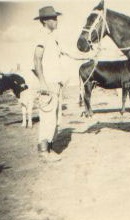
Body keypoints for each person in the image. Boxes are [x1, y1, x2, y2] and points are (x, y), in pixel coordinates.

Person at [33, 6, 67, 162]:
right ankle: (43, 153)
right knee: (47, 118)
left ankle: (50, 150)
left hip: (56, 84)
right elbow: (37, 59)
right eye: (53, 18)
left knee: (55, 119)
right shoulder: (42, 36)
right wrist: (42, 83)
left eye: (56, 17)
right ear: (45, 21)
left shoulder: (53, 37)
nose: (56, 20)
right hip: (48, 84)